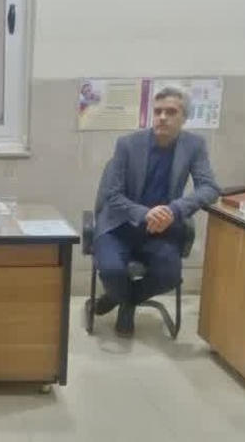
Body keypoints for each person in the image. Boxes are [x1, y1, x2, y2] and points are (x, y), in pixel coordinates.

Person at [92, 86, 219, 336]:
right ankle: (120, 297)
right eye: (158, 111)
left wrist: (175, 210)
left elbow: (210, 188)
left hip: (161, 230)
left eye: (170, 112)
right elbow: (112, 195)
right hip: (120, 225)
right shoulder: (128, 144)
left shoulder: (194, 145)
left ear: (184, 117)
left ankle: (123, 300)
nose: (162, 117)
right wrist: (144, 213)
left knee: (170, 275)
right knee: (112, 271)